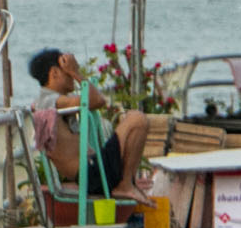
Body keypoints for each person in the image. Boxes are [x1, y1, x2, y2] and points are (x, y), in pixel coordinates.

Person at [28, 46, 152, 203]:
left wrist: (73, 71)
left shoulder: (51, 101)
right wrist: (76, 73)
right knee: (137, 119)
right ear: (54, 73)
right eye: (67, 72)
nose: (72, 77)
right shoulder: (49, 101)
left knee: (135, 122)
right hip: (91, 174)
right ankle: (125, 185)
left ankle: (127, 183)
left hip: (93, 171)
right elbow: (96, 100)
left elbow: (92, 100)